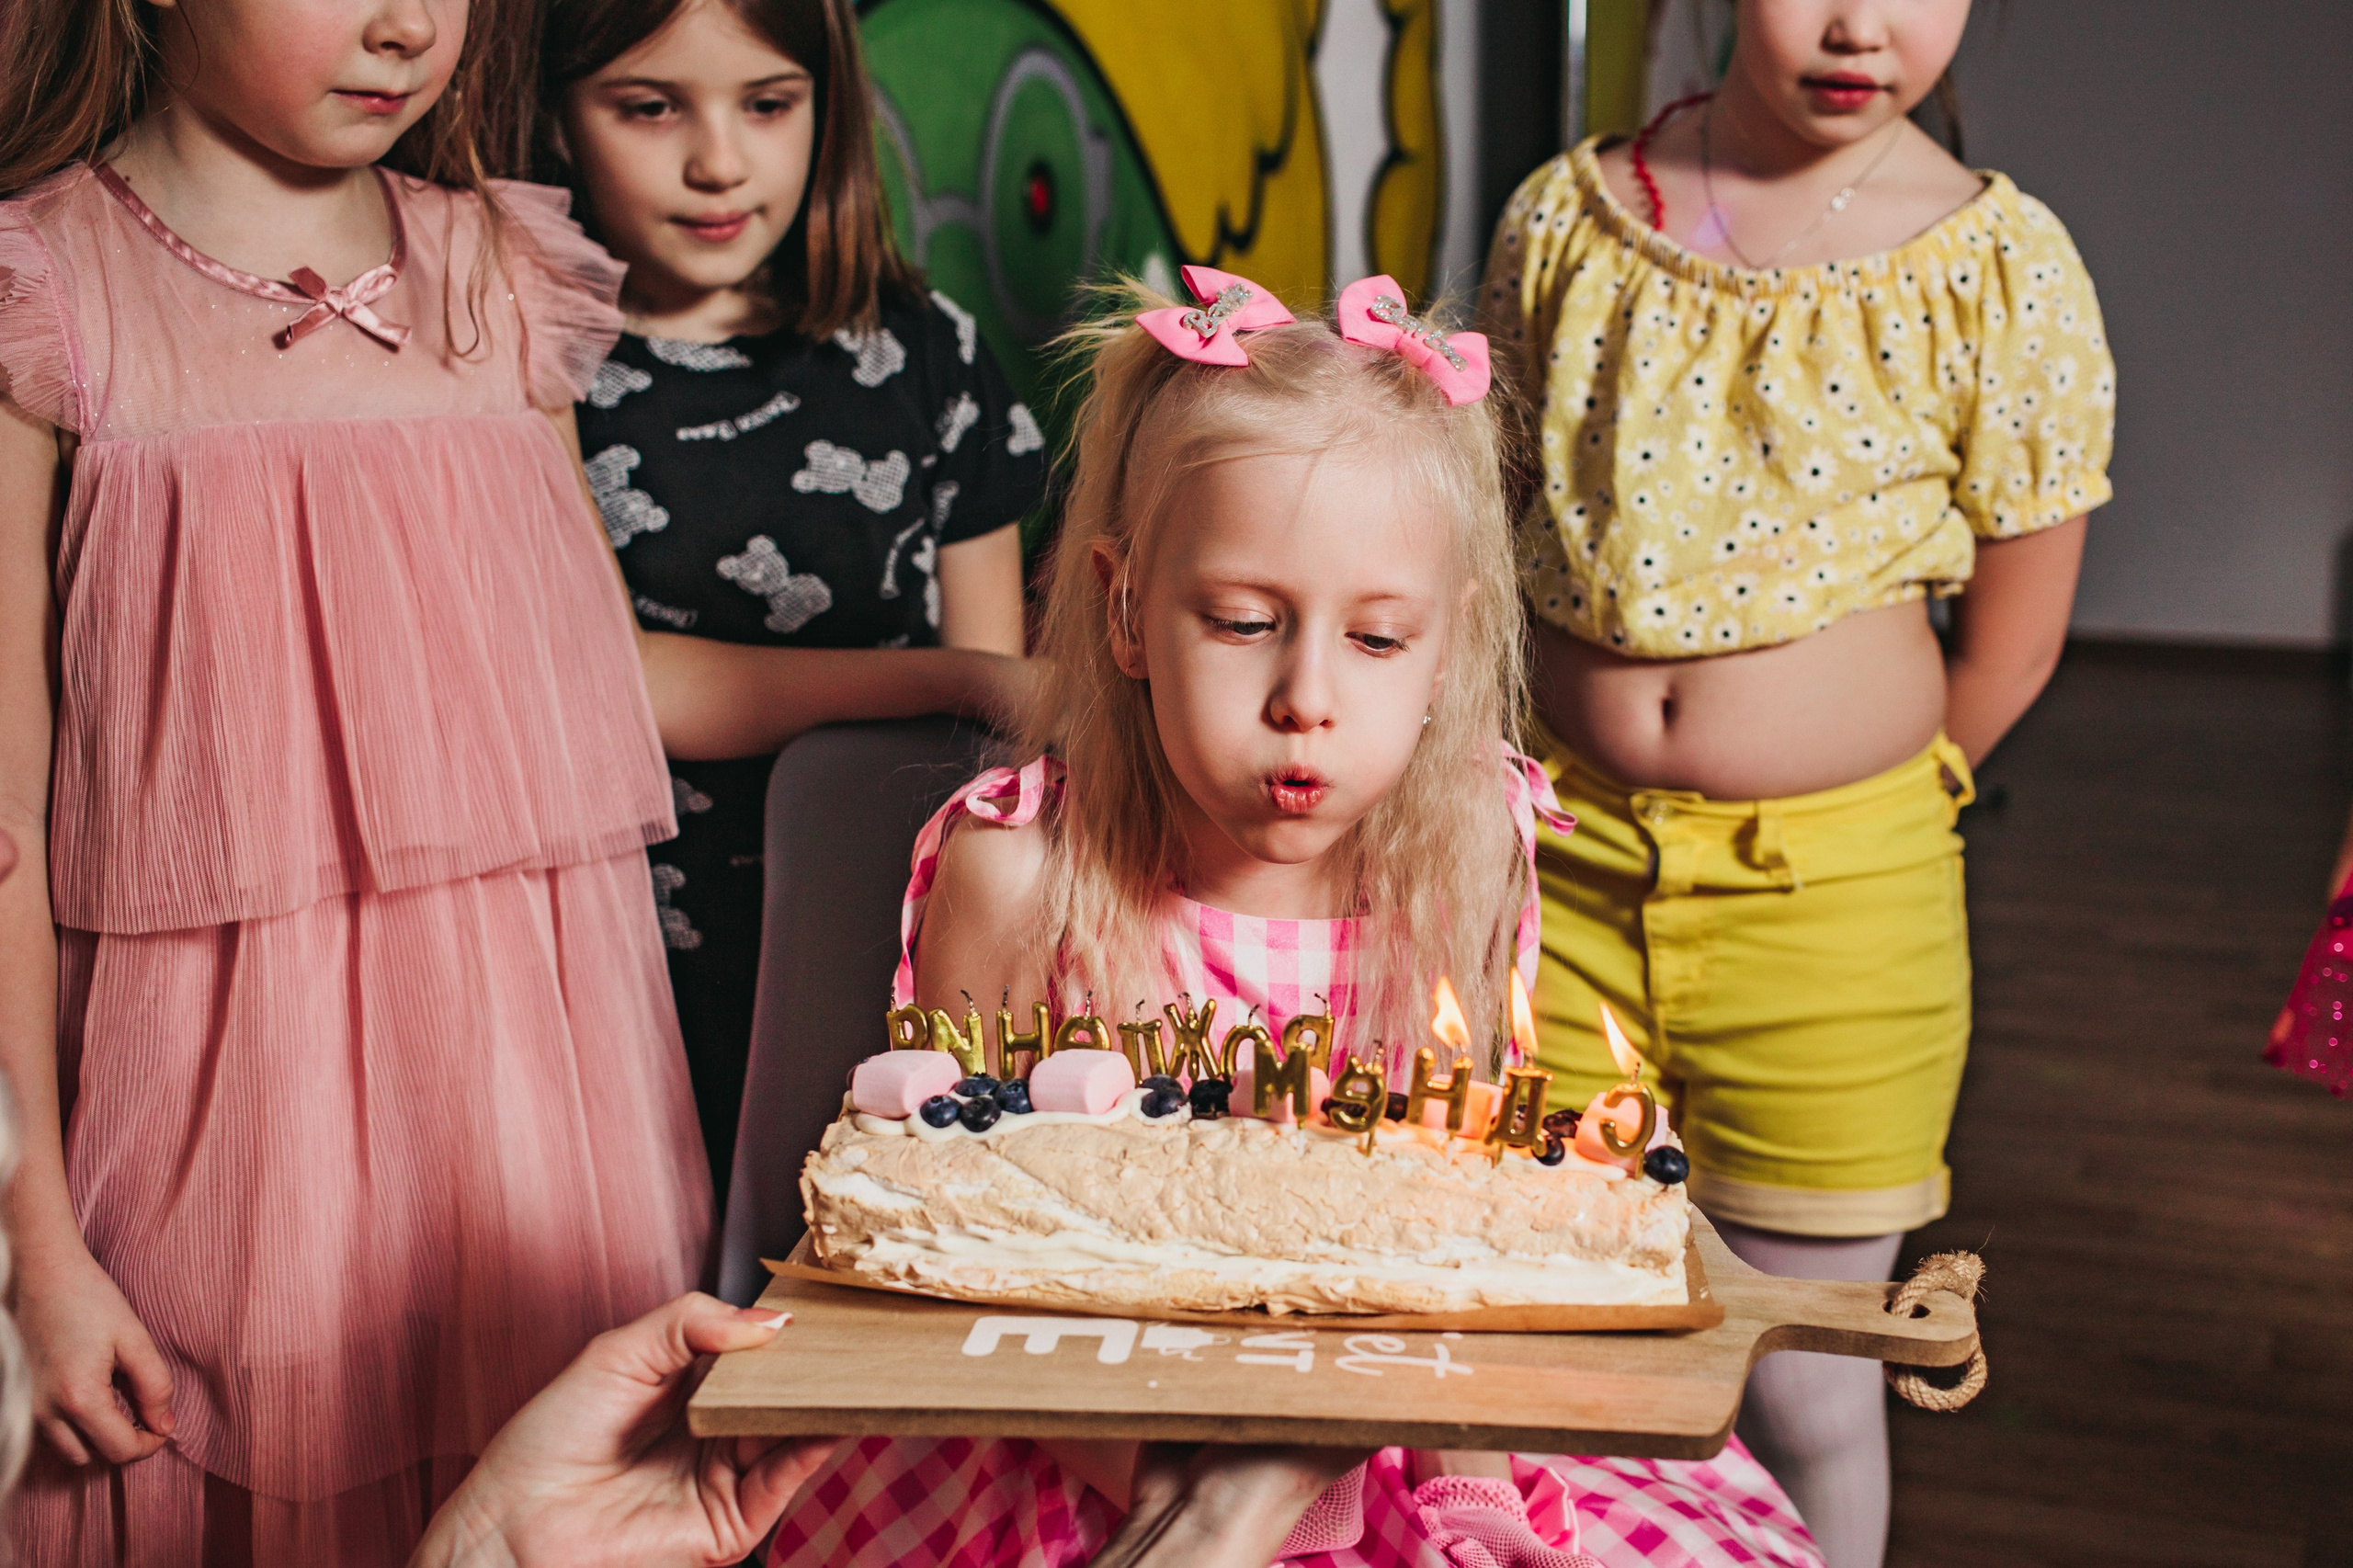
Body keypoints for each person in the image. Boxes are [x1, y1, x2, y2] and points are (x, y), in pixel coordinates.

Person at [0, 0, 1023, 1554]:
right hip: (216, 1136)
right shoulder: (49, 296)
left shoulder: (500, 273)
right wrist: (35, 1246)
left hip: (548, 1120)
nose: (409, 23)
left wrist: (977, 680)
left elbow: (603, 680)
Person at [766, 273, 1825, 1567]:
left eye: (1378, 639)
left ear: (1446, 652)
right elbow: (966, 1248)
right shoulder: (1020, 874)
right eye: (1244, 622)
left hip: (1407, 1395)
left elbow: (1455, 1231)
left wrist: (1468, 1491)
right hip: (1079, 1428)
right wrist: (1192, 1493)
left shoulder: (1465, 849)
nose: (1305, 697)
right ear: (1124, 608)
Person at [1478, 2, 2115, 1563]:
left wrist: (1853, 794)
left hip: (1836, 900)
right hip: (1557, 875)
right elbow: (1478, 524)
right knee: (1542, 1350)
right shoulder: (1568, 218)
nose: (1858, 23)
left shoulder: (1998, 262)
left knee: (1815, 1385)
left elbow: (2012, 649)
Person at [540, 0, 1044, 1205]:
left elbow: (988, 768)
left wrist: (986, 689)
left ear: (828, 105)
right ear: (556, 116)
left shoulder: (932, 358)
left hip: (884, 954)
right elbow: (617, 684)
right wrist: (963, 677)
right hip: (617, 972)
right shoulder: (527, 363)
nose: (719, 160)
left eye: (767, 103)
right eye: (651, 106)